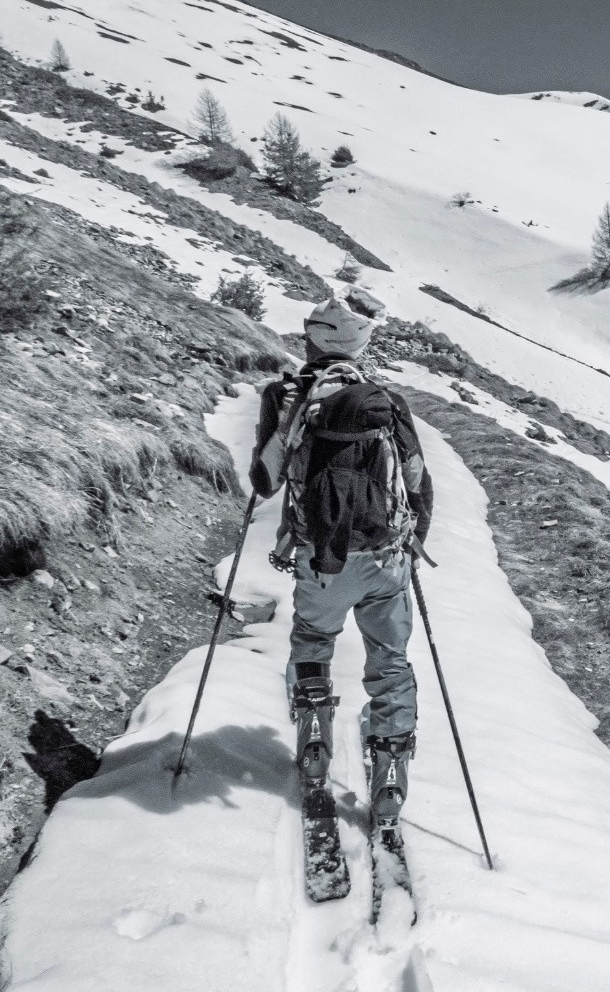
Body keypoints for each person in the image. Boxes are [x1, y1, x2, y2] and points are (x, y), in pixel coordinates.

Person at [248, 297, 434, 826]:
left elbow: (265, 482)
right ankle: (390, 774)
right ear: (361, 345)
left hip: (319, 558)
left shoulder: (288, 396)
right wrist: (413, 541)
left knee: (312, 640)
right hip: (385, 557)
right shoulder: (387, 401)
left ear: (311, 340)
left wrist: (280, 420)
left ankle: (313, 740)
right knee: (390, 661)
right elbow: (418, 481)